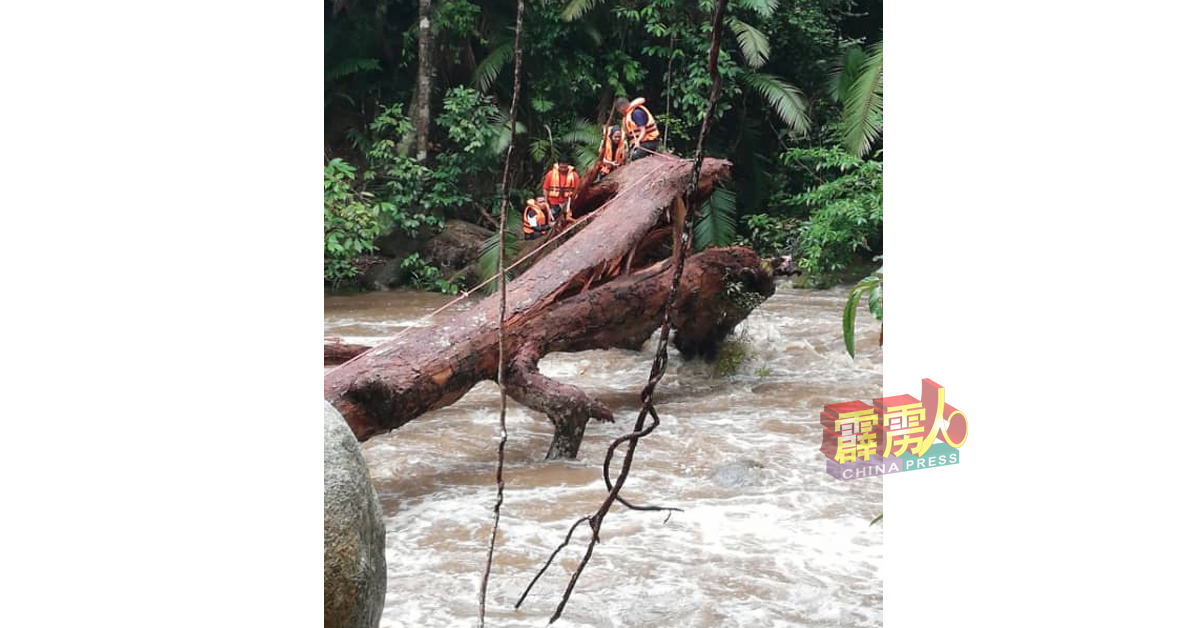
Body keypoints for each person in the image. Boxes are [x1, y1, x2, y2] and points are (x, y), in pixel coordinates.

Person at [614, 96, 659, 161]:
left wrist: (638, 141)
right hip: (641, 143)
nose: (620, 112)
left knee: (635, 157)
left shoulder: (636, 113)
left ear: (622, 107)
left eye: (619, 110)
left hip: (649, 141)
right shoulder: (628, 115)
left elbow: (643, 130)